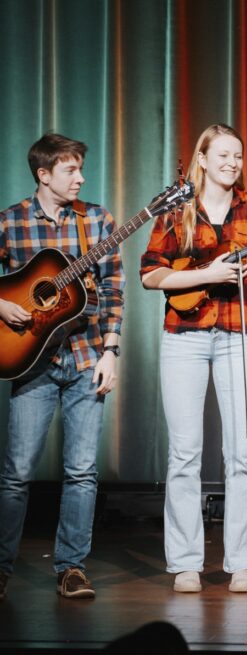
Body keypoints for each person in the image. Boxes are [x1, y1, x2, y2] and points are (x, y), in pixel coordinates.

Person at [140, 124, 247, 594]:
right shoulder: (176, 209)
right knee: (185, 454)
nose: (232, 163)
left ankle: (241, 563)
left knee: (242, 452)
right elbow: (150, 275)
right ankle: (185, 563)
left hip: (239, 337)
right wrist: (208, 274)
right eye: (223, 155)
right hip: (185, 337)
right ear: (202, 159)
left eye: (237, 156)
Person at [0, 133, 124, 600]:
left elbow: (113, 289)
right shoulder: (10, 222)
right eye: (71, 170)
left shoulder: (97, 221)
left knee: (82, 472)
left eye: (80, 169)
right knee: (16, 474)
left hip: (87, 357)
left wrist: (111, 351)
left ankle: (71, 568)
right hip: (30, 360)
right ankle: (0, 569)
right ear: (44, 174)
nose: (81, 178)